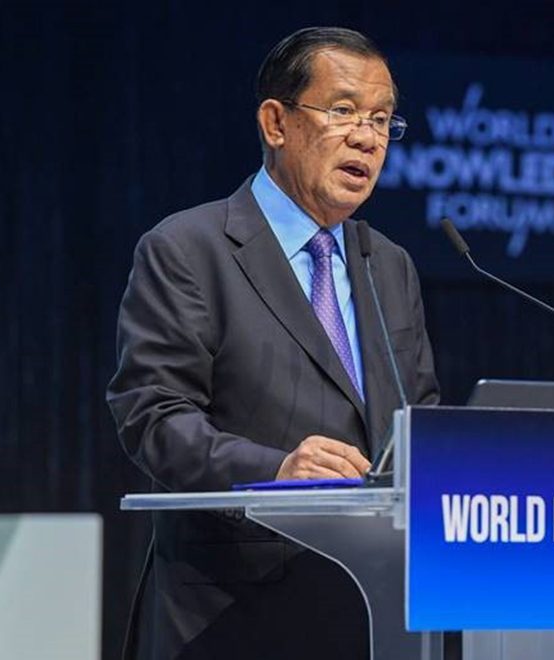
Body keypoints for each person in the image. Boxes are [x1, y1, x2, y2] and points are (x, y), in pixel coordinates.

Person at [107, 27, 439, 659]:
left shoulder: (388, 264)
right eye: (343, 111)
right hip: (229, 614)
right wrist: (274, 472)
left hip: (370, 614)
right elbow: (153, 416)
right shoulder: (189, 249)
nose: (367, 138)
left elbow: (416, 419)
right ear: (276, 123)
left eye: (381, 120)